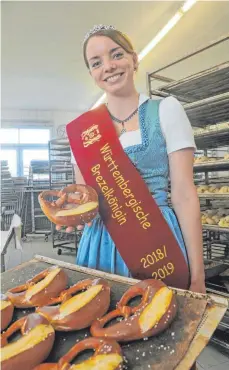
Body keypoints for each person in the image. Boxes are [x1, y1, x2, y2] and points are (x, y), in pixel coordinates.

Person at [57, 25, 205, 294]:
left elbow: (184, 195)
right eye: (96, 62)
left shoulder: (166, 110)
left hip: (158, 239)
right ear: (91, 73)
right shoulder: (81, 131)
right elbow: (88, 204)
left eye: (117, 55)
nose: (109, 66)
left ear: (134, 59)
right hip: (101, 242)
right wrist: (73, 216)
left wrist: (198, 275)